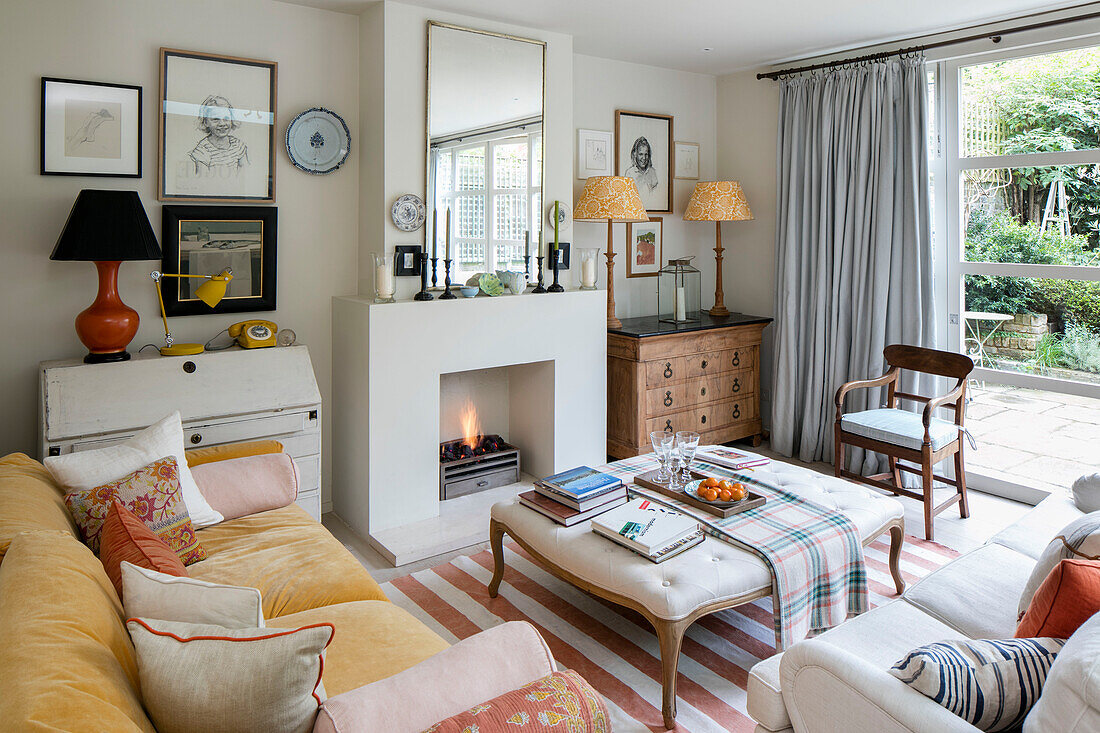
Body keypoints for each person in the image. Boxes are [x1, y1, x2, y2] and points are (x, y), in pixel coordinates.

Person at [189, 95, 249, 175]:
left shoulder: (238, 145)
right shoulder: (203, 150)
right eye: (215, 119)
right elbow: (202, 181)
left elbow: (246, 174)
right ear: (206, 122)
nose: (222, 124)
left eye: (226, 119)